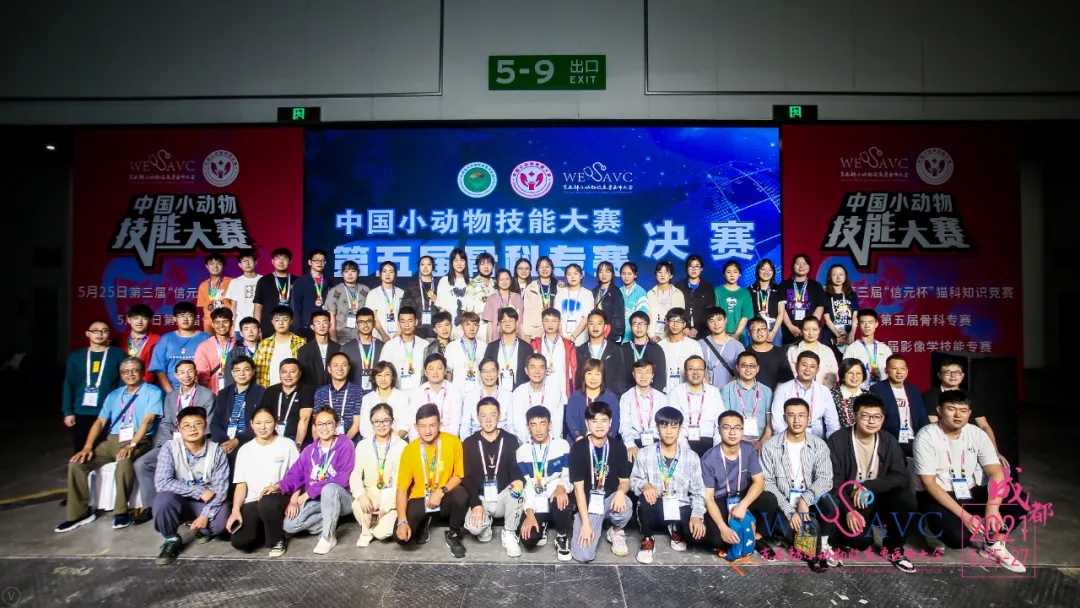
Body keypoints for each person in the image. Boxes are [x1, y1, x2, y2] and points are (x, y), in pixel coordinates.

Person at [914, 390, 1026, 572]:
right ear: (939, 411)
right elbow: (929, 483)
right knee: (959, 539)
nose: (958, 415)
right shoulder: (926, 436)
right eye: (951, 409)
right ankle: (930, 525)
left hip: (969, 490)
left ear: (969, 413)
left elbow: (996, 473)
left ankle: (992, 544)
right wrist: (965, 517)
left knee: (1018, 499)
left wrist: (992, 508)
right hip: (940, 493)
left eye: (963, 410)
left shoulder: (977, 433)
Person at [57, 357, 164, 532]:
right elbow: (100, 421)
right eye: (125, 371)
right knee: (77, 464)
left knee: (124, 462)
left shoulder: (152, 392)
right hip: (112, 440)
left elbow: (148, 420)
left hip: (138, 439)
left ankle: (121, 512)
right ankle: (79, 514)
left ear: (142, 372)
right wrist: (87, 447)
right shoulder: (114, 395)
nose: (130, 374)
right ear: (121, 374)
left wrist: (132, 445)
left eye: (134, 370)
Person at [821, 394, 917, 572]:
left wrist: (869, 486)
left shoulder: (888, 440)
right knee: (859, 542)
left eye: (877, 417)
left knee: (906, 499)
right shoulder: (838, 440)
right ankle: (846, 535)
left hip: (877, 495)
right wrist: (849, 511)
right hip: (849, 498)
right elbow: (833, 482)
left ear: (882, 418)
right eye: (865, 416)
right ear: (854, 416)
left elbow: (900, 476)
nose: (871, 421)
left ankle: (894, 547)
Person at [133, 360, 215, 524]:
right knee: (142, 463)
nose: (186, 375)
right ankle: (151, 506)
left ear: (195, 373)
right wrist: (169, 445)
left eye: (190, 371)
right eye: (182, 372)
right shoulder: (171, 397)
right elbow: (166, 424)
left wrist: (189, 443)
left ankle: (191, 508)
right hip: (173, 443)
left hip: (196, 444)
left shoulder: (207, 395)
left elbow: (208, 425)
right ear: (176, 376)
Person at [759, 398, 834, 572]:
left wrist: (806, 500)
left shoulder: (819, 445)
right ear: (784, 418)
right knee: (797, 540)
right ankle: (789, 537)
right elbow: (767, 483)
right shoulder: (770, 446)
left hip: (809, 502)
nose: (796, 420)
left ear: (809, 418)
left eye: (801, 415)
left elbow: (826, 478)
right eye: (791, 415)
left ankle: (822, 544)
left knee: (830, 502)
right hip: (783, 503)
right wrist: (788, 510)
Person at [270, 406, 355, 554]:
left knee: (329, 488)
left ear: (336, 425)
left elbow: (342, 479)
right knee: (290, 525)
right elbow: (295, 474)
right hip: (318, 500)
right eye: (320, 424)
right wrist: (278, 486)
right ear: (314, 426)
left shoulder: (345, 445)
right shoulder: (309, 450)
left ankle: (328, 537)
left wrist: (310, 492)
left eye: (328, 423)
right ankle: (331, 520)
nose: (324, 428)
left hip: (342, 498)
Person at [151, 406, 230, 565]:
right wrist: (199, 491)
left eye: (198, 424)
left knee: (220, 523)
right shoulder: (170, 448)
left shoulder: (217, 451)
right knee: (163, 500)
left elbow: (220, 490)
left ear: (205, 425)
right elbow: (162, 482)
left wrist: (205, 515)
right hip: (180, 500)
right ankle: (171, 539)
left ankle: (203, 529)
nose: (193, 429)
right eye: (186, 425)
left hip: (207, 502)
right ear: (179, 428)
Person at [630, 406, 708, 563]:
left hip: (679, 506)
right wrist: (644, 485)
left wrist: (697, 516)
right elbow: (633, 481)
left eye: (673, 426)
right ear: (657, 428)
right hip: (656, 504)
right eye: (664, 426)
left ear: (680, 428)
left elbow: (698, 492)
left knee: (697, 537)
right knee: (645, 500)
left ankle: (675, 528)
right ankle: (648, 538)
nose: (669, 431)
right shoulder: (644, 453)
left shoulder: (691, 457)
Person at [701, 411, 779, 561]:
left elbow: (759, 482)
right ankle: (734, 537)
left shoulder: (748, 450)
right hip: (720, 499)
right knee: (716, 539)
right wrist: (723, 528)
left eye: (737, 428)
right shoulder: (708, 459)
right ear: (719, 429)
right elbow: (708, 499)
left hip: (741, 495)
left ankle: (756, 537)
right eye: (726, 427)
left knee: (769, 499)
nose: (732, 432)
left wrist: (743, 505)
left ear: (743, 430)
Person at [395, 403, 471, 558]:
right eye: (423, 426)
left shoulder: (453, 442)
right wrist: (402, 521)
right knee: (402, 540)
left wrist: (441, 491)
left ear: (440, 425)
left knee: (461, 494)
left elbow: (459, 475)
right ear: (416, 427)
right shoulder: (409, 450)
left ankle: (454, 533)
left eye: (432, 425)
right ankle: (424, 522)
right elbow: (402, 489)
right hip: (420, 498)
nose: (428, 431)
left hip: (444, 498)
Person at [227, 406, 300, 557]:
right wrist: (235, 510)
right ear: (251, 424)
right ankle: (267, 527)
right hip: (253, 500)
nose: (263, 427)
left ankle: (277, 539)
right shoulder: (244, 450)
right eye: (258, 423)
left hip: (279, 495)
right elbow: (241, 484)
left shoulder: (287, 444)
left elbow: (298, 476)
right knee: (240, 542)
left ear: (275, 423)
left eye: (268, 422)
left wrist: (294, 501)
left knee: (267, 503)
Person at [569, 401, 632, 562]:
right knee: (583, 555)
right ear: (587, 423)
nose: (599, 425)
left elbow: (625, 481)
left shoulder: (618, 447)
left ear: (610, 423)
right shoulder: (578, 449)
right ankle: (582, 522)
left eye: (604, 420)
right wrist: (585, 524)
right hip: (588, 504)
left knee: (626, 504)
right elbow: (578, 490)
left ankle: (615, 531)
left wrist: (620, 492)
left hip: (609, 500)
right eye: (594, 421)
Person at [462, 397, 525, 555]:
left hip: (503, 496)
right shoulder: (469, 443)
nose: (488, 420)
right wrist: (476, 504)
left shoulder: (510, 440)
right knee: (474, 528)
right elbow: (467, 477)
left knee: (518, 491)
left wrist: (518, 481)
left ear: (500, 416)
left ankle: (509, 532)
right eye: (483, 416)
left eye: (492, 415)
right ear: (477, 417)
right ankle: (486, 524)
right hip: (482, 498)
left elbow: (515, 468)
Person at [924, 358, 1008, 465]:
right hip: (945, 443)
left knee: (999, 466)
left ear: (962, 376)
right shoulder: (930, 396)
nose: (953, 376)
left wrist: (995, 452)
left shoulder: (970, 396)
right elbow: (935, 425)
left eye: (957, 373)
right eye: (947, 373)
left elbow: (984, 425)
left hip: (970, 442)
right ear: (939, 375)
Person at [516, 405, 573, 561]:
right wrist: (529, 513)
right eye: (533, 424)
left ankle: (561, 535)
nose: (539, 429)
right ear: (527, 427)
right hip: (536, 500)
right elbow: (526, 486)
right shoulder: (521, 452)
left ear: (550, 424)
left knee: (562, 499)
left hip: (555, 495)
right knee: (528, 540)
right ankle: (542, 523)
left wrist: (561, 487)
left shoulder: (562, 445)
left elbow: (568, 475)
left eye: (542, 423)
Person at [63, 319, 125, 453]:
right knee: (81, 451)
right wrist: (68, 411)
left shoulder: (118, 354)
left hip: (108, 411)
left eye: (104, 331)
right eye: (95, 331)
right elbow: (69, 384)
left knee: (105, 452)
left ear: (109, 334)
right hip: (81, 411)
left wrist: (119, 408)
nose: (100, 334)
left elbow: (123, 384)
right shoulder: (76, 356)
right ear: (87, 333)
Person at [350, 404, 407, 547]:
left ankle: (369, 528)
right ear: (371, 422)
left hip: (392, 496)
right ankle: (368, 528)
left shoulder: (402, 446)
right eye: (377, 421)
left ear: (392, 421)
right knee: (357, 505)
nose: (381, 425)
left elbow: (400, 482)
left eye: (386, 420)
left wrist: (385, 508)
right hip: (370, 495)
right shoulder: (363, 445)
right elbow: (355, 474)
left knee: (382, 533)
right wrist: (361, 495)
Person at [209, 356, 266, 466]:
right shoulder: (223, 393)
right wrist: (225, 442)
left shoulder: (261, 392)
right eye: (237, 370)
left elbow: (260, 423)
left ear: (253, 372)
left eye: (246, 370)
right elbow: (215, 422)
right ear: (232, 373)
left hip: (249, 441)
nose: (242, 374)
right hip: (225, 442)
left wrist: (237, 440)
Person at [870, 355, 930, 457]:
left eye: (902, 369)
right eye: (894, 368)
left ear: (907, 371)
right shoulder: (877, 390)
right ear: (886, 370)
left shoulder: (914, 391)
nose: (899, 372)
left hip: (914, 440)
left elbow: (922, 417)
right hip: (890, 441)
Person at [771, 351, 839, 440]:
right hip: (789, 439)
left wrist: (833, 443)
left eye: (812, 366)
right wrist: (789, 441)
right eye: (804, 365)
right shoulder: (783, 389)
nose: (807, 370)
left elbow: (832, 422)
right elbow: (777, 422)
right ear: (796, 366)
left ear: (817, 370)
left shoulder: (824, 391)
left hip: (818, 440)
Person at [667, 356, 723, 456]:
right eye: (691, 369)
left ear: (704, 372)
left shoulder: (714, 392)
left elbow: (720, 422)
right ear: (685, 371)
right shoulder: (676, 392)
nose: (695, 372)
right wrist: (686, 452)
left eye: (699, 369)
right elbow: (673, 424)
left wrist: (716, 450)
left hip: (710, 441)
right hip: (683, 442)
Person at [149, 302, 210, 391]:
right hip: (171, 390)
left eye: (189, 315)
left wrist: (202, 393)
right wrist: (171, 394)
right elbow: (159, 370)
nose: (185, 319)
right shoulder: (166, 339)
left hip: (200, 391)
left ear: (195, 318)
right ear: (174, 319)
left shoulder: (206, 338)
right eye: (181, 316)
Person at [719, 351, 773, 449]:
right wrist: (746, 442)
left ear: (757, 369)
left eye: (752, 366)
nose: (748, 369)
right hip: (735, 440)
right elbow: (725, 421)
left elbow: (770, 424)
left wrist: (761, 443)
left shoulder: (766, 391)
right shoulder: (727, 390)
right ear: (737, 367)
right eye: (744, 365)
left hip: (762, 443)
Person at [619, 359, 671, 460]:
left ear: (652, 375)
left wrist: (662, 445)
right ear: (633, 374)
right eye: (639, 372)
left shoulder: (661, 397)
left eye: (647, 372)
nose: (643, 376)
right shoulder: (626, 397)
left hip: (657, 440)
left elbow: (665, 424)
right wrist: (630, 445)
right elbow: (625, 425)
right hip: (634, 439)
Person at [257, 358, 314, 447]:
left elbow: (304, 419)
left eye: (292, 372)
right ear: (279, 374)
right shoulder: (270, 391)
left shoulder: (307, 391)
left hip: (295, 437)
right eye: (284, 372)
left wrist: (297, 445)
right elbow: (263, 415)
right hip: (272, 437)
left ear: (299, 373)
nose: (288, 375)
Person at [511, 353, 566, 444]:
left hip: (550, 443)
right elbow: (518, 424)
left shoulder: (555, 392)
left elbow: (557, 425)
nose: (537, 371)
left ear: (546, 370)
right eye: (533, 367)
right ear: (526, 370)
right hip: (526, 443)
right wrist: (529, 443)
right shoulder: (518, 393)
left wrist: (550, 443)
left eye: (541, 367)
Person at [406, 354, 464, 439]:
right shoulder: (418, 393)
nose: (435, 372)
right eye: (431, 369)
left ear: (445, 371)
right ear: (425, 372)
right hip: (424, 440)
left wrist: (448, 443)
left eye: (439, 368)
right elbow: (413, 423)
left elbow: (455, 424)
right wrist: (418, 444)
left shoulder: (454, 391)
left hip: (447, 439)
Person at [565, 359, 621, 443]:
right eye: (589, 373)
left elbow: (614, 422)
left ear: (602, 377)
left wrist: (606, 440)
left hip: (604, 442)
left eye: (597, 374)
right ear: (584, 376)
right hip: (578, 441)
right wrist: (579, 439)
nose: (593, 378)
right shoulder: (575, 397)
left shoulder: (611, 397)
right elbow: (571, 421)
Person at [313, 352, 364, 441]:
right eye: (335, 365)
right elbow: (315, 423)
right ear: (329, 369)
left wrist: (341, 444)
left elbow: (356, 424)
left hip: (351, 442)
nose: (340, 368)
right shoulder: (320, 392)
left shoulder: (357, 391)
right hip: (325, 441)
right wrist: (318, 444)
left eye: (344, 365)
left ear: (348, 368)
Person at [778, 254, 827, 346]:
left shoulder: (816, 286)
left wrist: (809, 327)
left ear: (809, 266)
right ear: (793, 266)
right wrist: (790, 326)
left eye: (804, 263)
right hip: (788, 333)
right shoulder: (784, 285)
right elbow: (781, 309)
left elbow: (820, 307)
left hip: (810, 334)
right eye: (798, 263)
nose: (801, 266)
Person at [575, 309, 627, 395]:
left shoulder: (615, 349)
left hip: (609, 399)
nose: (595, 327)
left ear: (605, 327)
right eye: (591, 323)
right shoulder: (581, 350)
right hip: (587, 398)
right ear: (587, 327)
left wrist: (616, 399)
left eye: (599, 323)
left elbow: (620, 379)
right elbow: (578, 380)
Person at [252, 305, 306, 388]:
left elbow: (304, 368)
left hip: (294, 389)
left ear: (291, 321)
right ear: (272, 322)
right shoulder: (264, 344)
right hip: (268, 389)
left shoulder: (300, 342)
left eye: (285, 319)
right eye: (277, 320)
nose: (281, 323)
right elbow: (258, 371)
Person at [378, 306, 429, 391]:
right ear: (398, 323)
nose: (406, 325)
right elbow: (382, 371)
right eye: (403, 321)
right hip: (396, 393)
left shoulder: (425, 345)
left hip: (420, 393)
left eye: (410, 321)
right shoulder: (389, 346)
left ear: (416, 322)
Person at [531, 308, 578, 399]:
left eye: (554, 321)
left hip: (563, 394)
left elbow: (573, 370)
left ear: (559, 322)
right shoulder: (535, 345)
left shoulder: (568, 345)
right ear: (542, 322)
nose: (550, 324)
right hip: (540, 395)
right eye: (547, 321)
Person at [252, 248, 299, 339]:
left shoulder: (297, 281)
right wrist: (257, 327)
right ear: (272, 261)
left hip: (292, 328)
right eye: (278, 258)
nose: (281, 261)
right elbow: (258, 306)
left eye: (285, 258)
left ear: (290, 262)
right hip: (268, 328)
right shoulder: (264, 281)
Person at [460, 358, 513, 437]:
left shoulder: (508, 396)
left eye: (492, 370)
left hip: (501, 438)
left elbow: (510, 425)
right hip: (477, 438)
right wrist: (468, 442)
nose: (489, 375)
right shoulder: (470, 396)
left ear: (498, 372)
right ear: (479, 374)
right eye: (485, 371)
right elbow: (465, 425)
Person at [292, 249, 335, 339]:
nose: (319, 263)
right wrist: (299, 330)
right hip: (307, 326)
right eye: (316, 260)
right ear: (309, 262)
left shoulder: (330, 281)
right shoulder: (300, 282)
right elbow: (296, 307)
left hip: (325, 325)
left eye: (322, 260)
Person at [483, 307, 530, 390]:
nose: (507, 323)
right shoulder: (491, 347)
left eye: (511, 320)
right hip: (497, 392)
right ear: (499, 325)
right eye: (504, 321)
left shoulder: (526, 348)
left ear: (516, 323)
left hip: (520, 392)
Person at [842, 309, 892, 387]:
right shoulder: (852, 349)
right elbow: (845, 374)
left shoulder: (885, 349)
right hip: (860, 392)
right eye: (863, 322)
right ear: (858, 325)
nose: (867, 326)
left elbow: (891, 373)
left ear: (876, 324)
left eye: (870, 322)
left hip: (881, 391)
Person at [359, 362, 409, 439]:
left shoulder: (402, 397)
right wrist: (376, 442)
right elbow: (365, 427)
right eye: (379, 375)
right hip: (372, 441)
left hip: (397, 440)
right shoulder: (367, 399)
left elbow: (404, 425)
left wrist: (393, 441)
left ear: (392, 377)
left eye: (387, 375)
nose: (383, 379)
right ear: (374, 378)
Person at [785, 317, 839, 388]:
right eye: (806, 329)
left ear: (819, 330)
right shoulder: (793, 350)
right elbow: (789, 374)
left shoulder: (827, 351)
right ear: (801, 330)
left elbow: (834, 373)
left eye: (814, 329)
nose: (810, 333)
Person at [658, 308, 702, 393]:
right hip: (665, 393)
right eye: (672, 320)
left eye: (679, 321)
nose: (675, 324)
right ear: (667, 322)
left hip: (688, 393)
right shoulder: (660, 346)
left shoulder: (694, 345)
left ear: (684, 324)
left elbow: (700, 371)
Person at [326, 260, 370, 344]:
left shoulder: (365, 290)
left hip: (362, 336)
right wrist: (333, 336)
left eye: (353, 271)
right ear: (342, 274)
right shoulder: (335, 291)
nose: (350, 274)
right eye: (346, 271)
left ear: (358, 273)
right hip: (341, 337)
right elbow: (331, 315)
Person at [621, 310, 666, 392]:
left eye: (642, 324)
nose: (639, 327)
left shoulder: (656, 349)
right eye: (635, 324)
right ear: (630, 327)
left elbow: (660, 377)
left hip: (651, 395)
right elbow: (620, 377)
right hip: (628, 395)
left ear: (647, 326)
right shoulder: (623, 349)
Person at [699, 307, 744, 389]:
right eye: (711, 321)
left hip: (729, 391)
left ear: (725, 320)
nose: (716, 324)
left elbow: (741, 371)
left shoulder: (737, 346)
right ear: (707, 323)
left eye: (719, 319)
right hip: (705, 391)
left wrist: (726, 390)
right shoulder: (700, 344)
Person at [340, 307, 384, 389]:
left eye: (369, 321)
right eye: (361, 322)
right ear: (356, 325)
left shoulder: (383, 347)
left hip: (377, 393)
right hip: (354, 394)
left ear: (374, 323)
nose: (365, 325)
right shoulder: (346, 348)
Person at [194, 307, 235, 394]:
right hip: (212, 394)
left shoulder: (239, 345)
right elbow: (201, 377)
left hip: (235, 394)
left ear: (232, 323)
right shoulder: (204, 347)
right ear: (212, 324)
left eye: (225, 322)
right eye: (217, 322)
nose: (221, 326)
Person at [445, 312, 487, 396]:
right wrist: (448, 392)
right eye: (467, 325)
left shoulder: (484, 346)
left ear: (478, 327)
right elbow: (449, 372)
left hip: (478, 391)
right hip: (457, 391)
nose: (471, 328)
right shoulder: (452, 346)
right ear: (461, 327)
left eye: (475, 325)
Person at [552, 263, 594, 347]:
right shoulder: (560, 294)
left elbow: (586, 318)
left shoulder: (587, 294)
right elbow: (557, 317)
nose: (572, 277)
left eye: (575, 273)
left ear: (581, 276)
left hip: (581, 340)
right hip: (561, 340)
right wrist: (562, 337)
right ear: (566, 277)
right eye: (569, 274)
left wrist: (573, 336)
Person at [675, 254, 716, 339]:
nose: (694, 269)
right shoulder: (679, 286)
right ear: (687, 268)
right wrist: (684, 326)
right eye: (691, 266)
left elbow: (709, 309)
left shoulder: (708, 287)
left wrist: (697, 328)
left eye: (697, 266)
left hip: (703, 331)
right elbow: (676, 308)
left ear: (701, 269)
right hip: (682, 330)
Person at [746, 317, 793, 390]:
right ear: (749, 333)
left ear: (768, 331)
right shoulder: (745, 352)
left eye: (762, 328)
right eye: (754, 329)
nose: (759, 332)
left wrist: (776, 393)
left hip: (775, 393)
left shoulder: (780, 352)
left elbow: (785, 378)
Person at [297, 310, 340, 390]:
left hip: (333, 391)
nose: (321, 326)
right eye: (318, 323)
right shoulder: (304, 350)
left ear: (330, 325)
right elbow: (303, 376)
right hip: (311, 392)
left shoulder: (338, 348)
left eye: (325, 322)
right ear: (312, 327)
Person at [223, 249, 261, 339]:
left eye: (250, 260)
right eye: (244, 261)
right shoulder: (235, 282)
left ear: (255, 262)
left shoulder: (263, 280)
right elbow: (233, 306)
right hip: (239, 326)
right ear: (240, 265)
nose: (247, 263)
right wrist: (232, 327)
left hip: (259, 325)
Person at [118, 304, 159, 383]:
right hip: (122, 384)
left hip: (148, 384)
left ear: (150, 320)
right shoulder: (119, 339)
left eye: (144, 318)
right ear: (129, 319)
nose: (139, 322)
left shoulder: (158, 340)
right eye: (135, 318)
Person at [365, 261, 405, 342]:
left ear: (395, 275)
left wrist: (398, 334)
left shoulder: (401, 293)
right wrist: (383, 335)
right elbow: (373, 317)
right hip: (379, 337)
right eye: (384, 271)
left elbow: (405, 316)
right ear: (380, 274)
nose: (388, 274)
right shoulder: (373, 293)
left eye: (391, 272)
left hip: (398, 337)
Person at [748, 259, 786, 346]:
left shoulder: (778, 289)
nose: (766, 272)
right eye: (763, 269)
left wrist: (773, 332)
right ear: (758, 271)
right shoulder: (749, 290)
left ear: (773, 272)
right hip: (755, 327)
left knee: (775, 352)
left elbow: (781, 313)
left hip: (774, 326)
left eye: (769, 270)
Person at [401, 255, 438, 340]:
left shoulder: (439, 285)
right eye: (422, 264)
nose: (425, 267)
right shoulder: (411, 287)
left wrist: (438, 301)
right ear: (419, 267)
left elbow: (446, 308)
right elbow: (405, 309)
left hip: (436, 330)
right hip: (416, 331)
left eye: (428, 264)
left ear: (433, 267)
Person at [714, 260, 753, 341]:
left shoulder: (745, 293)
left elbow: (745, 316)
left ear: (739, 274)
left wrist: (737, 334)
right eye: (728, 272)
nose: (732, 275)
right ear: (724, 274)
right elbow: (714, 314)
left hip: (739, 335)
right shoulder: (717, 291)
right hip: (720, 334)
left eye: (735, 272)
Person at [522, 256, 558, 341]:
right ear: (537, 270)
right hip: (535, 332)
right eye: (541, 267)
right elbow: (526, 312)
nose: (544, 269)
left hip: (554, 330)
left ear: (552, 269)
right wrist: (527, 333)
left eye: (547, 266)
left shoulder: (559, 287)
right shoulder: (531, 287)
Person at [647, 261, 685, 342]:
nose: (662, 275)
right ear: (655, 274)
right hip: (651, 337)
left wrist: (662, 336)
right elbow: (647, 316)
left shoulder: (678, 294)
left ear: (671, 275)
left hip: (671, 336)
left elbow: (680, 318)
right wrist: (651, 335)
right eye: (659, 272)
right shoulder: (650, 294)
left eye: (666, 272)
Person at [483, 269, 524, 342]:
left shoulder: (518, 298)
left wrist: (523, 341)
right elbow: (490, 323)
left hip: (515, 338)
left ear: (511, 280)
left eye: (507, 279)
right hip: (497, 338)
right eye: (501, 279)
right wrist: (489, 342)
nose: (504, 282)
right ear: (497, 281)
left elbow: (521, 322)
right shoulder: (491, 298)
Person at [822, 264, 859, 347]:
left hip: (849, 335)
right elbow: (827, 319)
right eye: (834, 275)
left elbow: (855, 317)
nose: (838, 277)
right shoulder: (825, 295)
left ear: (845, 276)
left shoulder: (852, 295)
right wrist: (838, 336)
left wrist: (852, 333)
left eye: (841, 274)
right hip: (830, 336)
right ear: (830, 277)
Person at [463, 252, 498, 340]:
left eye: (489, 264)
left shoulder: (496, 284)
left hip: (496, 327)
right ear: (478, 266)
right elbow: (467, 311)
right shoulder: (473, 284)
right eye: (482, 264)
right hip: (479, 328)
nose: (486, 267)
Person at [196, 253, 232, 333]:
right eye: (212, 263)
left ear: (223, 266)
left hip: (226, 321)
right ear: (207, 266)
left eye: (219, 263)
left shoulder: (231, 282)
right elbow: (203, 307)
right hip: (209, 322)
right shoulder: (203, 285)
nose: (215, 266)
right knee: (209, 340)